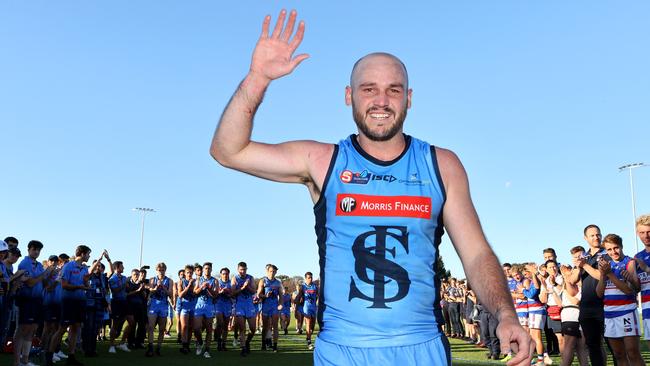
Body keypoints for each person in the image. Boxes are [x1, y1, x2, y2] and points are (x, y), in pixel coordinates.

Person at [210, 9, 532, 365]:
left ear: (408, 98)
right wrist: (258, 77)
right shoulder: (321, 161)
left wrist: (505, 313)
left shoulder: (442, 165)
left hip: (421, 348)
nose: (381, 101)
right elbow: (228, 150)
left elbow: (476, 254)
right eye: (369, 89)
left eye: (393, 90)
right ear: (349, 96)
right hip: (342, 351)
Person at [47, 245, 104, 366]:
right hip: (68, 301)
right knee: (62, 329)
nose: (89, 256)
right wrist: (80, 287)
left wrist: (86, 283)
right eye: (88, 254)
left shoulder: (83, 267)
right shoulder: (68, 266)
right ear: (82, 254)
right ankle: (49, 356)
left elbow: (85, 279)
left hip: (80, 301)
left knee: (75, 328)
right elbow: (64, 285)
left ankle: (71, 357)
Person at [596, 234, 643, 365]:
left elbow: (629, 291)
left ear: (621, 246)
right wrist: (603, 275)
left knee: (632, 352)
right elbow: (599, 293)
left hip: (626, 311)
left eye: (616, 248)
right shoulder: (606, 265)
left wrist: (610, 273)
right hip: (609, 313)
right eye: (609, 249)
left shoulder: (629, 262)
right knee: (618, 354)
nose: (613, 252)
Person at [567, 225, 610, 366]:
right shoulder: (584, 256)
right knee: (592, 345)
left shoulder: (606, 253)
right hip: (586, 307)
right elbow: (572, 280)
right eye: (592, 235)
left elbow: (601, 276)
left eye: (598, 234)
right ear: (585, 238)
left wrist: (585, 266)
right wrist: (578, 266)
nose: (596, 237)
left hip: (604, 304)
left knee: (613, 345)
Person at [14, 240, 53, 366]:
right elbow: (30, 283)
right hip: (26, 299)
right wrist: (45, 274)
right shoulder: (25, 263)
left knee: (32, 329)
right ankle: (16, 361)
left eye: (38, 250)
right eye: (34, 249)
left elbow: (44, 284)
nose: (36, 252)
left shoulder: (39, 265)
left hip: (37, 300)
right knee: (22, 329)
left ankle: (25, 360)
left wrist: (51, 275)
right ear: (28, 249)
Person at [146, 262, 172, 357]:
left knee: (162, 329)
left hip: (163, 306)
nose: (161, 272)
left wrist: (163, 287)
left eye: (163, 270)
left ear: (165, 270)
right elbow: (150, 290)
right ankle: (150, 347)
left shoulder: (169, 281)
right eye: (159, 270)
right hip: (153, 305)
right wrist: (156, 287)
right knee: (151, 327)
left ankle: (158, 348)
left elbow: (170, 294)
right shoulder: (152, 279)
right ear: (157, 270)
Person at [231, 261, 256, 357]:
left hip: (249, 304)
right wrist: (242, 287)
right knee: (242, 328)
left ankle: (247, 342)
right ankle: (243, 348)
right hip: (239, 304)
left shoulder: (250, 278)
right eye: (241, 270)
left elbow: (254, 291)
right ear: (238, 270)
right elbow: (232, 294)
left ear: (246, 269)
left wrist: (248, 286)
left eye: (244, 269)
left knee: (253, 329)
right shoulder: (235, 278)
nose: (243, 271)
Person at [257, 264, 283, 352]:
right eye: (271, 271)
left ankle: (275, 345)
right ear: (267, 271)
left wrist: (280, 304)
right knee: (265, 327)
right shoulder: (263, 281)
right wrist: (265, 295)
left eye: (274, 271)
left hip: (274, 306)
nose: (272, 273)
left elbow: (281, 295)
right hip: (265, 306)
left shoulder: (278, 282)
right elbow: (258, 294)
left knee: (275, 326)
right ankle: (263, 343)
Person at [193, 262, 216, 358]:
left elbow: (215, 295)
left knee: (209, 329)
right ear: (203, 269)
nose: (207, 270)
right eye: (205, 268)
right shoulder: (199, 279)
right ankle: (200, 342)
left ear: (211, 269)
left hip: (209, 306)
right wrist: (202, 287)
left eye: (209, 268)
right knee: (196, 328)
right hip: (199, 305)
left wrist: (209, 288)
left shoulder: (214, 281)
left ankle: (207, 350)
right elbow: (195, 292)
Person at [634, 214, 650, 348]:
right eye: (642, 232)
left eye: (649, 231)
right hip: (646, 307)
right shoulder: (638, 257)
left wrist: (646, 268)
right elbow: (638, 287)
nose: (646, 236)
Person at [177, 264, 196, 354]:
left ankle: (187, 345)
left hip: (193, 306)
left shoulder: (196, 281)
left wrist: (193, 286)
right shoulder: (181, 282)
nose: (189, 274)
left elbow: (197, 293)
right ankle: (184, 345)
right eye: (188, 272)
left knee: (191, 327)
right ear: (185, 273)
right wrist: (188, 286)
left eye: (191, 272)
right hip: (184, 306)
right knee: (184, 326)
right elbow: (180, 295)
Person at [299, 271, 318, 350]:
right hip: (306, 308)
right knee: (308, 323)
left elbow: (318, 295)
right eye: (309, 278)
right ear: (305, 278)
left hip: (313, 307)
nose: (310, 279)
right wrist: (297, 304)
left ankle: (308, 336)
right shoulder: (303, 287)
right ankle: (309, 342)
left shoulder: (315, 286)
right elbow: (299, 296)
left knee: (312, 326)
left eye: (311, 277)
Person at [214, 267, 232, 351]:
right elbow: (214, 294)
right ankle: (218, 341)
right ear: (221, 274)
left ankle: (223, 343)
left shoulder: (231, 283)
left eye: (227, 274)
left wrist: (228, 293)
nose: (225, 275)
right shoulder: (217, 282)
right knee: (220, 323)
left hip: (227, 305)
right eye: (223, 274)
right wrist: (220, 292)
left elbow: (233, 295)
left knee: (225, 325)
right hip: (218, 304)